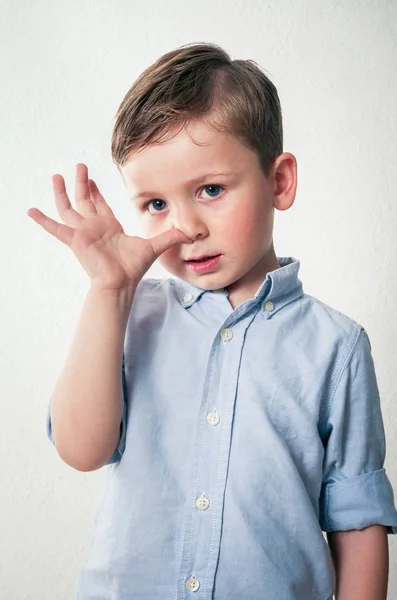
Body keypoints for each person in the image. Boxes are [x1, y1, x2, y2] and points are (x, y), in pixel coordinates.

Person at [28, 42, 397, 600]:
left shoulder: (336, 347)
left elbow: (358, 520)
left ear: (279, 182)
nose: (186, 226)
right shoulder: (132, 313)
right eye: (155, 204)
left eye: (210, 190)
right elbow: (82, 449)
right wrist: (109, 290)